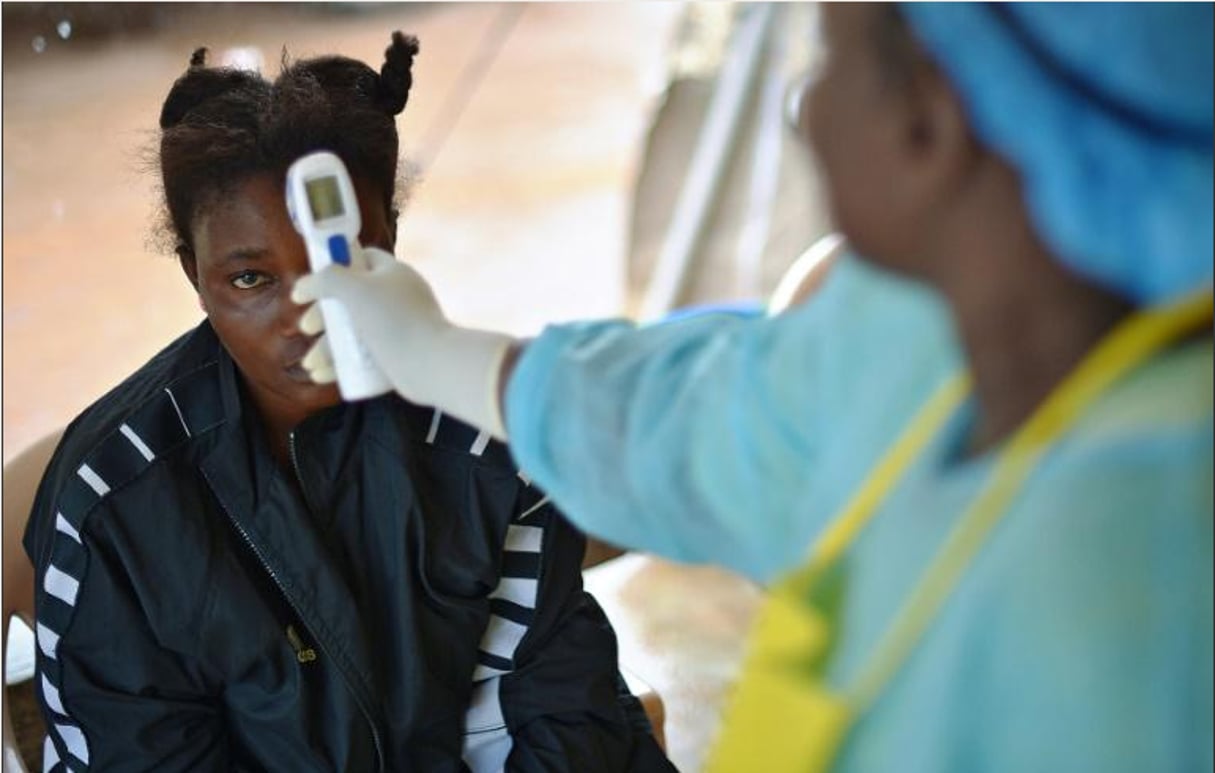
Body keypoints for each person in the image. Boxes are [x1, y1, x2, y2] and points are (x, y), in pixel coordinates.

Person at [291, 4, 1213, 772]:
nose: (806, 111)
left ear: (927, 126)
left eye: (832, 58)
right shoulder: (929, 335)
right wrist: (441, 354)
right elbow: (707, 413)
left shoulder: (1137, 591)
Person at [21, 33, 672, 772]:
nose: (310, 313)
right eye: (250, 280)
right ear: (194, 275)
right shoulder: (114, 504)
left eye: (342, 258)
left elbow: (559, 714)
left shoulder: (486, 437)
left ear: (388, 242)